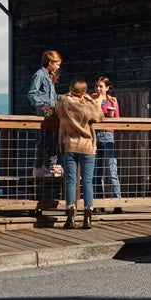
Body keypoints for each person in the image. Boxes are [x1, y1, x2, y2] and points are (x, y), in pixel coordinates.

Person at [55, 78, 104, 229]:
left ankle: (70, 217)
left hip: (70, 145)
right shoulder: (88, 105)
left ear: (71, 88)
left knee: (71, 181)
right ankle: (87, 217)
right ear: (84, 91)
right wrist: (92, 100)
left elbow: (56, 110)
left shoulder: (64, 101)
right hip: (87, 147)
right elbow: (100, 116)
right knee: (87, 181)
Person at [27, 50, 62, 177]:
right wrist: (42, 106)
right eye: (57, 64)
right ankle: (38, 167)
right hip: (44, 113)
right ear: (50, 62)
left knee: (52, 140)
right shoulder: (40, 75)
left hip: (52, 113)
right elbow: (32, 93)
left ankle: (51, 166)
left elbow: (53, 97)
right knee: (43, 140)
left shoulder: (49, 76)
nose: (58, 67)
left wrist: (66, 97)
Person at [93, 76, 122, 211]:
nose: (98, 89)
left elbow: (117, 119)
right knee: (96, 172)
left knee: (111, 171)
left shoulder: (113, 101)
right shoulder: (92, 100)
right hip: (95, 136)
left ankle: (117, 203)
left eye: (101, 86)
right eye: (97, 86)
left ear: (107, 88)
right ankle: (100, 204)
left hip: (108, 135)